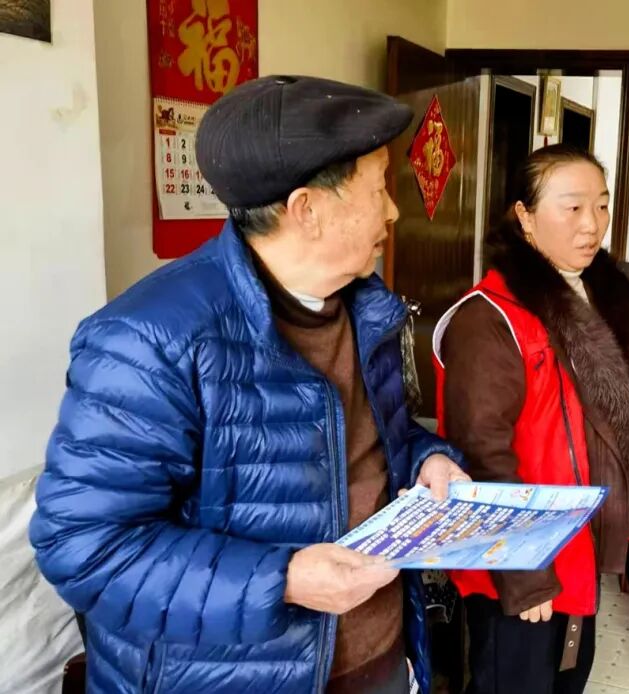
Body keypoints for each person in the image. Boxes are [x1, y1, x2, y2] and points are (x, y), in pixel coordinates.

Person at [30, 75, 469, 694]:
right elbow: (84, 547)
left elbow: (367, 444)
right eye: (379, 189)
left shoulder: (365, 309)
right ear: (307, 210)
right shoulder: (150, 339)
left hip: (381, 660)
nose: (394, 211)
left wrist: (427, 459)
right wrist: (282, 579)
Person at [431, 144, 629, 694]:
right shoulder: (489, 318)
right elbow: (482, 453)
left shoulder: (603, 298)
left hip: (576, 548)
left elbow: (625, 423)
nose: (593, 225)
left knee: (568, 680)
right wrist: (525, 572)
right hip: (520, 562)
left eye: (601, 205)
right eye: (573, 207)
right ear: (525, 216)